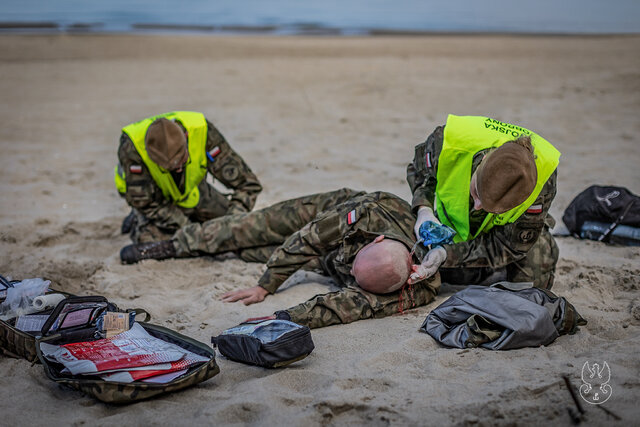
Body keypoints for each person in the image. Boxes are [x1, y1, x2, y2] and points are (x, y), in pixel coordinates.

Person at [119, 189, 440, 329]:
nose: (353, 276)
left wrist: (284, 318)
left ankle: (207, 246)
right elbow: (308, 239)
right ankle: (174, 245)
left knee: (248, 253)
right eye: (356, 266)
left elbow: (344, 307)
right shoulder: (368, 212)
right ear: (378, 240)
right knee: (255, 227)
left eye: (358, 279)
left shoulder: (417, 289)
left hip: (328, 262)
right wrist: (265, 286)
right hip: (328, 214)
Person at [406, 114, 560, 289]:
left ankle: (495, 269)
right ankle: (483, 271)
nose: (478, 206)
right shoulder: (448, 141)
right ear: (484, 160)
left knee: (530, 290)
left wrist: (446, 254)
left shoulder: (543, 183)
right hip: (451, 228)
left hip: (504, 235)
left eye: (495, 209)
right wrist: (423, 208)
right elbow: (420, 172)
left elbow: (508, 246)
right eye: (476, 193)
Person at [114, 111, 262, 243]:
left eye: (182, 161)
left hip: (192, 191)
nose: (178, 169)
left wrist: (230, 225)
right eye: (169, 167)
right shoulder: (132, 147)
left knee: (233, 228)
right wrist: (190, 229)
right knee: (156, 241)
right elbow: (145, 202)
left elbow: (248, 185)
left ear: (186, 138)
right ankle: (135, 219)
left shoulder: (202, 131)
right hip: (154, 199)